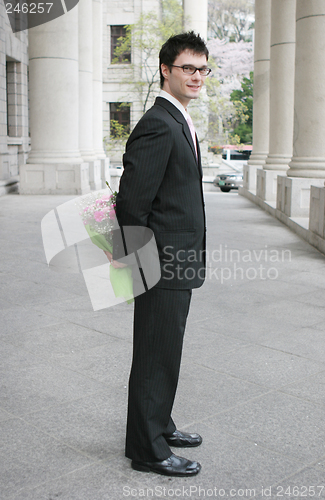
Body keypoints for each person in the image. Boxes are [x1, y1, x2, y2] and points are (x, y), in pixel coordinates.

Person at [107, 31, 210, 477]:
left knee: (166, 349)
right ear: (166, 70)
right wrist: (134, 266)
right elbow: (132, 201)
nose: (197, 76)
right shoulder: (156, 122)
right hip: (160, 262)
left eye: (203, 69)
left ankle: (160, 423)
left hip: (177, 256)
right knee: (154, 354)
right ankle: (147, 450)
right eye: (188, 67)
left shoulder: (179, 118)